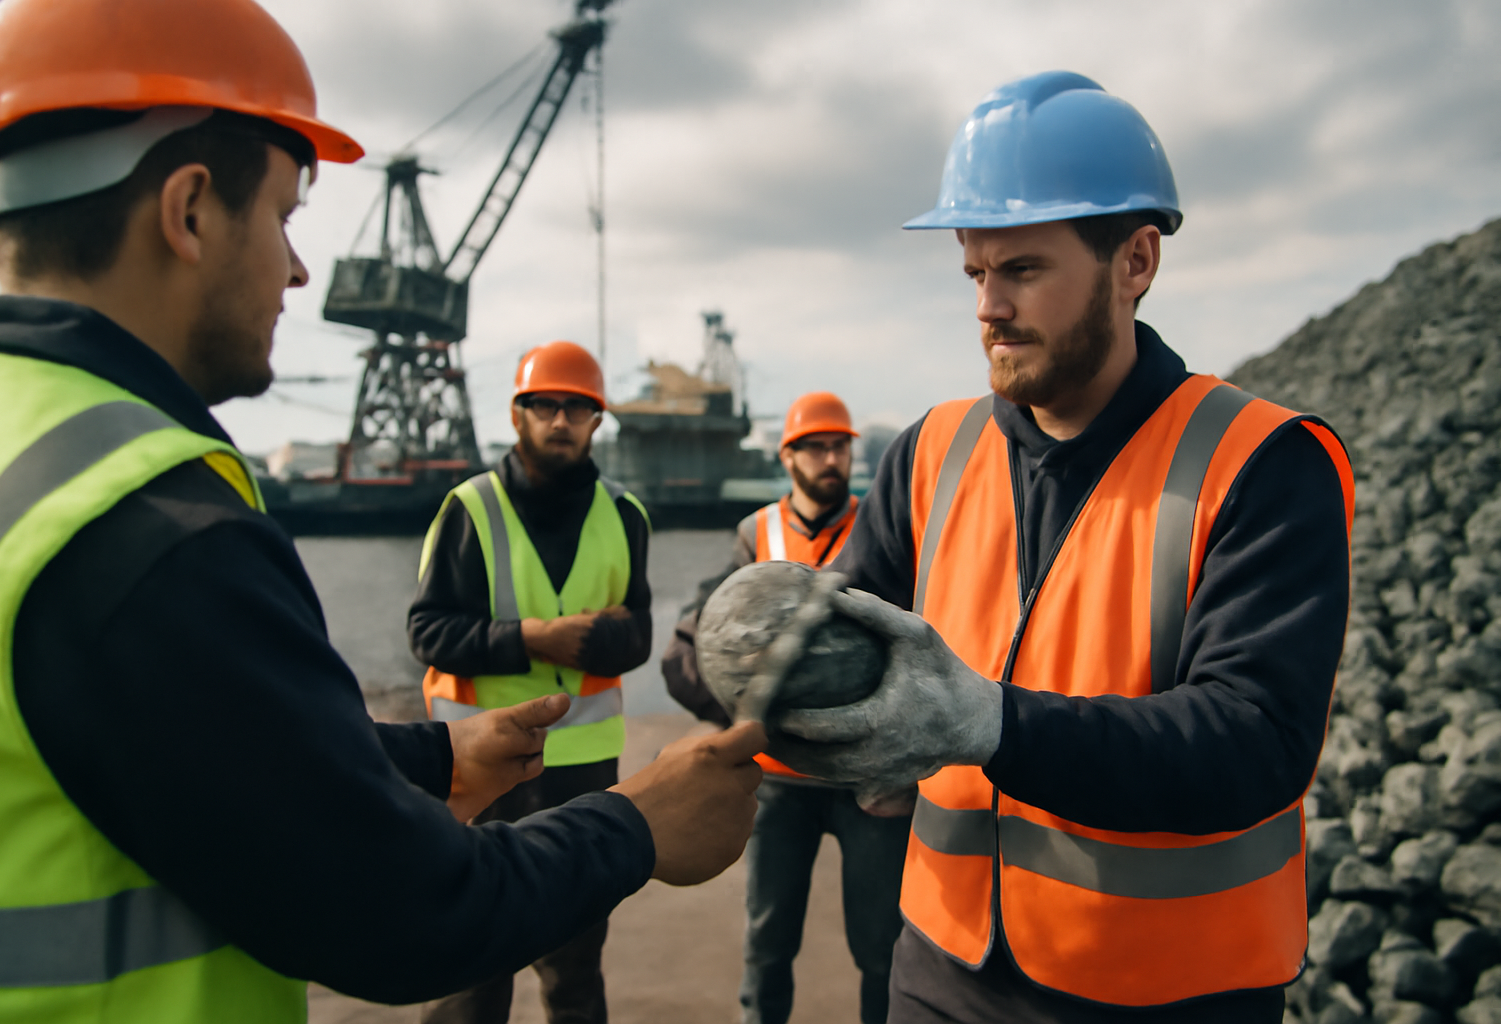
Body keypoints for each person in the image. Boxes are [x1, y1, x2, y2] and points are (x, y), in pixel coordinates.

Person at [0, 1, 764, 1021]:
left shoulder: (6, 446)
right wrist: (639, 822)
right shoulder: (150, 527)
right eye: (285, 217)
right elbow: (405, 913)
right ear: (191, 210)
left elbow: (204, 740)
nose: (299, 270)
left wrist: (433, 755)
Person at [761, 72, 1356, 1023]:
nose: (989, 306)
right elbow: (845, 651)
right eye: (975, 273)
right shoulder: (930, 454)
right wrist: (761, 659)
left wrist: (992, 724)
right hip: (941, 969)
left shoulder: (1263, 462)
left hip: (1171, 992)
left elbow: (1255, 742)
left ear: (1135, 261)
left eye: (1024, 269)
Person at [408, 340, 651, 1024]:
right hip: (477, 765)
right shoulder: (470, 509)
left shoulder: (624, 514)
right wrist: (533, 638)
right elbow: (428, 632)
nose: (561, 419)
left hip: (583, 770)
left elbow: (638, 633)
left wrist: (593, 637)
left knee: (576, 965)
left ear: (597, 420)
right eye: (545, 405)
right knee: (472, 962)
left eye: (577, 407)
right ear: (518, 415)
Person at [662, 392, 911, 1024]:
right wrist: (744, 720)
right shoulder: (756, 533)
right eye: (816, 447)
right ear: (788, 457)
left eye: (840, 446)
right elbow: (696, 641)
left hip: (867, 776)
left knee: (882, 949)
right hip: (778, 784)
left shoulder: (882, 526)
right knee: (767, 944)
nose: (831, 459)